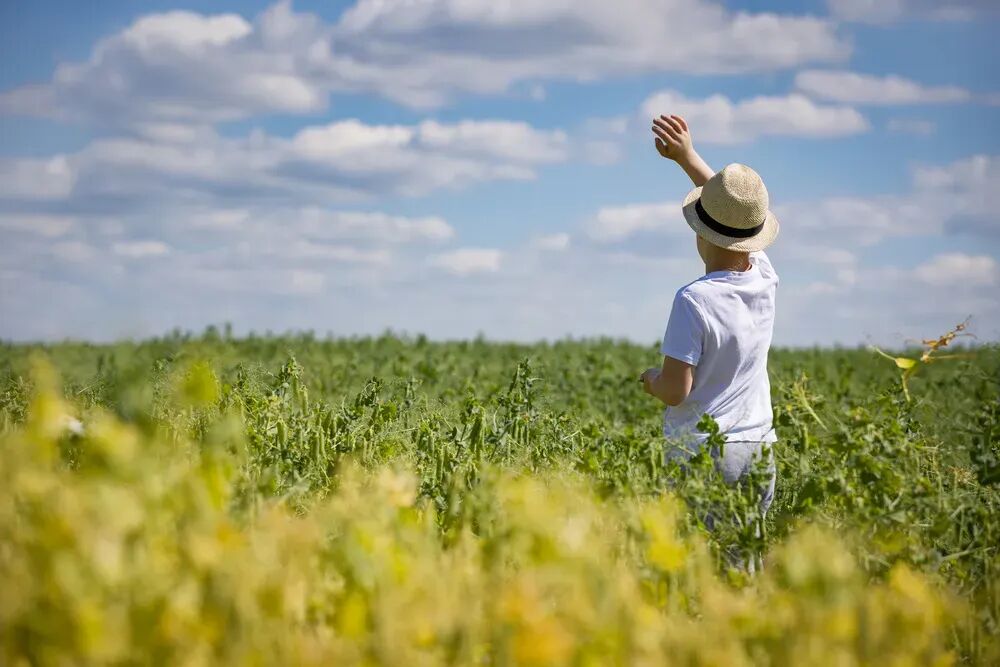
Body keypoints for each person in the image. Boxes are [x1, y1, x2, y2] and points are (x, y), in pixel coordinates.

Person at [640, 114, 779, 529]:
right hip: (759, 447)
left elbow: (676, 392)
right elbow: (734, 209)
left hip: (702, 451)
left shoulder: (694, 299)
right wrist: (688, 157)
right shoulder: (765, 278)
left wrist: (648, 379)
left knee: (696, 566)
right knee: (743, 563)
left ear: (700, 235)